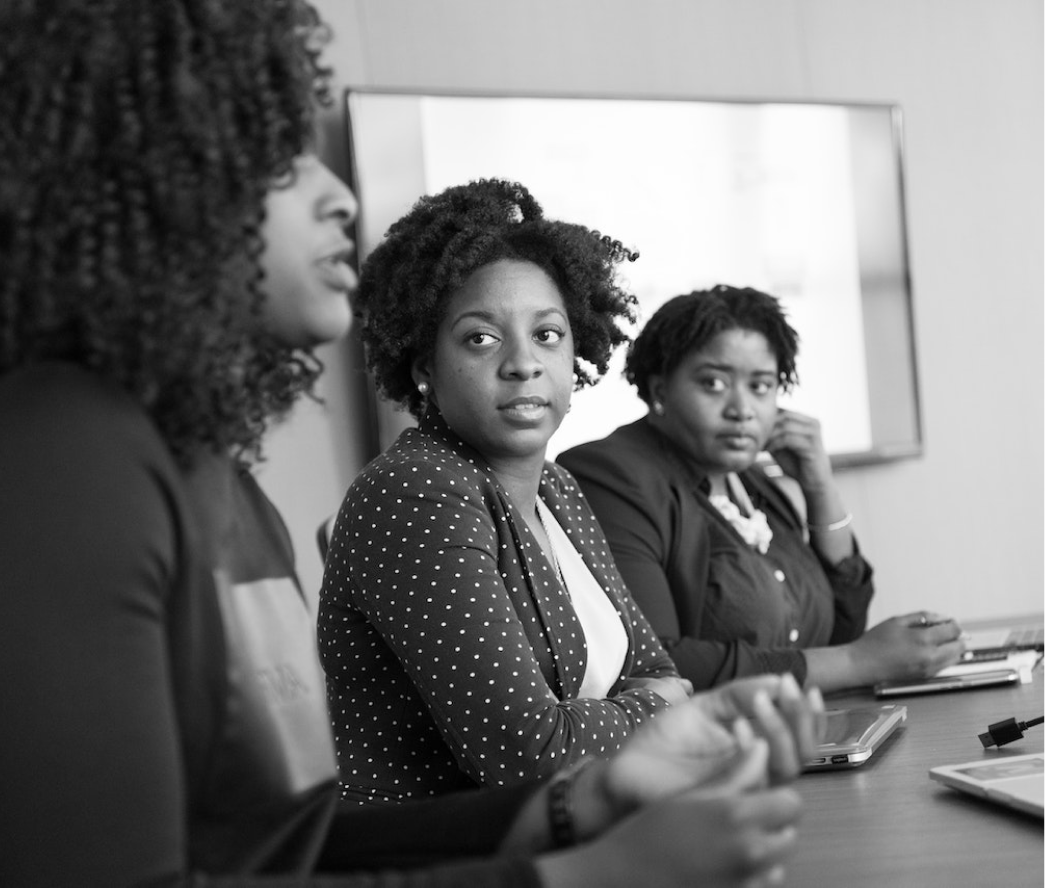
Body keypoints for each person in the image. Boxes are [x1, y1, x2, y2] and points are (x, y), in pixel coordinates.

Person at [0, 4, 824, 887]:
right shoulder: (65, 457)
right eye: (281, 154)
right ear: (144, 185)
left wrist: (580, 804)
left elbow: (278, 851)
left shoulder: (228, 488)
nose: (340, 197)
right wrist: (583, 872)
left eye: (547, 336)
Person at [319, 179, 696, 804]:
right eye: (481, 338)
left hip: (584, 832)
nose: (523, 363)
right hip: (448, 863)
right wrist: (652, 712)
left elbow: (656, 669)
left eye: (547, 334)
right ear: (423, 368)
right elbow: (524, 752)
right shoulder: (415, 490)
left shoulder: (558, 487)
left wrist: (641, 704)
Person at [557, 286, 965, 693]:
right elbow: (656, 663)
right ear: (661, 390)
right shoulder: (610, 475)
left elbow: (838, 629)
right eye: (713, 383)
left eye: (761, 385)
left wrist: (819, 486)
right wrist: (857, 661)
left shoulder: (753, 480)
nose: (743, 409)